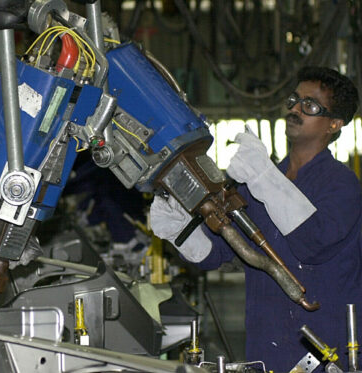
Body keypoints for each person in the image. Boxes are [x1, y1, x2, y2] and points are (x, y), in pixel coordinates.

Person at [151, 66, 361, 371]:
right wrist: (180, 228)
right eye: (294, 99)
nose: (295, 109)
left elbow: (313, 244)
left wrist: (264, 176)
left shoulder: (341, 185)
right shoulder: (259, 179)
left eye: (310, 105)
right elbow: (218, 252)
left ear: (334, 124)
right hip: (267, 348)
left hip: (326, 351)